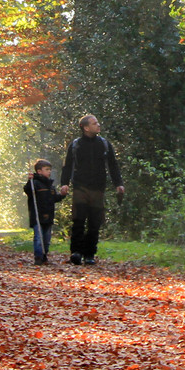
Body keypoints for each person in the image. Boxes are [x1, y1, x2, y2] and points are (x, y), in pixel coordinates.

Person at [59, 114, 123, 265]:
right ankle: (76, 252)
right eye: (95, 123)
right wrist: (64, 183)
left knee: (95, 222)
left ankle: (89, 254)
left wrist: (118, 184)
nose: (98, 125)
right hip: (80, 187)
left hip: (98, 188)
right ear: (86, 128)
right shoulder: (75, 145)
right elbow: (67, 165)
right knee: (78, 220)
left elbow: (113, 165)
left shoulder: (104, 144)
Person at [23, 159, 63, 265]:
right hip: (37, 215)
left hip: (49, 215)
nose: (49, 172)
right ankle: (38, 257)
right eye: (47, 169)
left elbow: (54, 198)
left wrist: (62, 195)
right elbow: (27, 190)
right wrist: (29, 181)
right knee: (38, 237)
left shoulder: (50, 185)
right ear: (39, 171)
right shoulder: (34, 183)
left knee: (46, 238)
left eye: (50, 169)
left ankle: (45, 255)